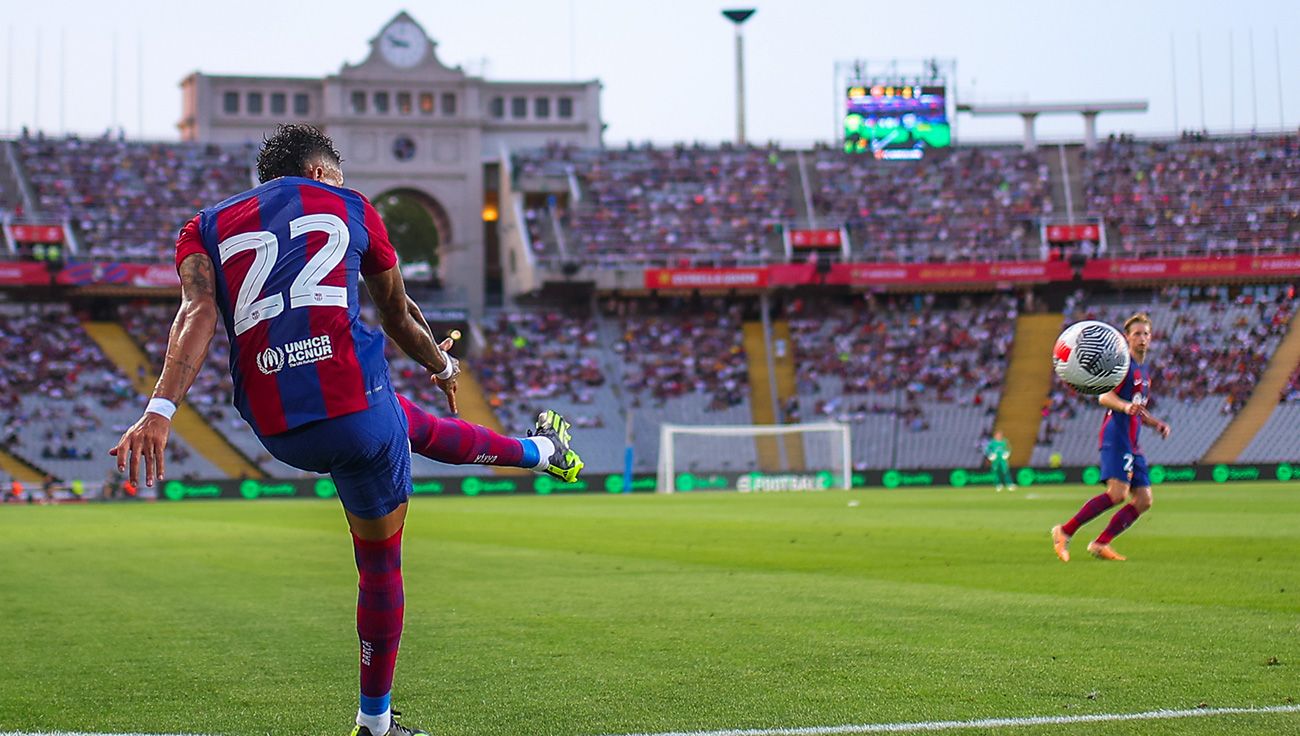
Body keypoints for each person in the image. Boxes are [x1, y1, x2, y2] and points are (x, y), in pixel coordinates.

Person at [109, 124, 583, 736]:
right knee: (380, 562)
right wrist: (442, 363)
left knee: (405, 422)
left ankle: (543, 451)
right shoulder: (352, 207)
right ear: (321, 174)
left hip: (275, 423)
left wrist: (161, 410)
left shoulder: (202, 227)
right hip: (353, 408)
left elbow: (196, 312)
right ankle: (376, 724)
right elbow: (399, 316)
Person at [1051, 313, 1171, 562]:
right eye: (1136, 334)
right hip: (1116, 435)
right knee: (1117, 493)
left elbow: (1137, 407)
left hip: (1133, 441)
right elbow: (1104, 397)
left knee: (1144, 500)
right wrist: (1126, 407)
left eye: (1145, 334)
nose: (1142, 338)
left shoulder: (1143, 372)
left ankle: (1100, 543)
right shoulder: (1120, 365)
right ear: (1126, 337)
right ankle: (1064, 531)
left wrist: (1154, 423)